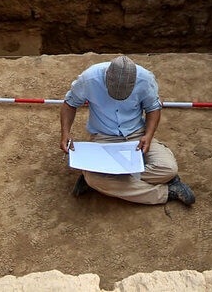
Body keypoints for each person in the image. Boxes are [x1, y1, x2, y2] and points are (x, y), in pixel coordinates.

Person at [61, 55, 195, 206]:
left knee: (168, 169)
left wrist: (148, 136)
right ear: (106, 75)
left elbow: (153, 108)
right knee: (94, 179)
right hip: (104, 138)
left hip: (136, 135)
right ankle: (168, 192)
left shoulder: (145, 79)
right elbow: (69, 104)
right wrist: (65, 133)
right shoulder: (89, 79)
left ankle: (108, 180)